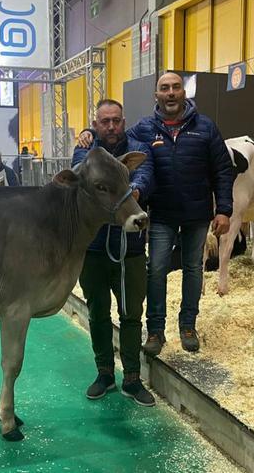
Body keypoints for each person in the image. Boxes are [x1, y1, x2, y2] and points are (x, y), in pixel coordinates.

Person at [78, 72, 235, 354]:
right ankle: (155, 330)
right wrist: (87, 134)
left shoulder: (206, 128)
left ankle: (188, 325)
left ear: (183, 93)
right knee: (157, 269)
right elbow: (114, 137)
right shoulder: (143, 129)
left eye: (176, 87)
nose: (171, 92)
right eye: (165, 88)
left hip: (197, 213)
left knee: (193, 269)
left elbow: (223, 169)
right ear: (157, 95)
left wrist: (224, 209)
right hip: (161, 213)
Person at [73, 99, 156, 407]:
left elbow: (145, 175)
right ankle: (105, 373)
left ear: (124, 121)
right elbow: (78, 177)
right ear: (95, 124)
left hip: (130, 247)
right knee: (97, 311)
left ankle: (132, 379)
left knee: (132, 313)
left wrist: (133, 190)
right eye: (104, 121)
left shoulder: (138, 148)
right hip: (93, 247)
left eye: (116, 121)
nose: (110, 126)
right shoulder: (84, 151)